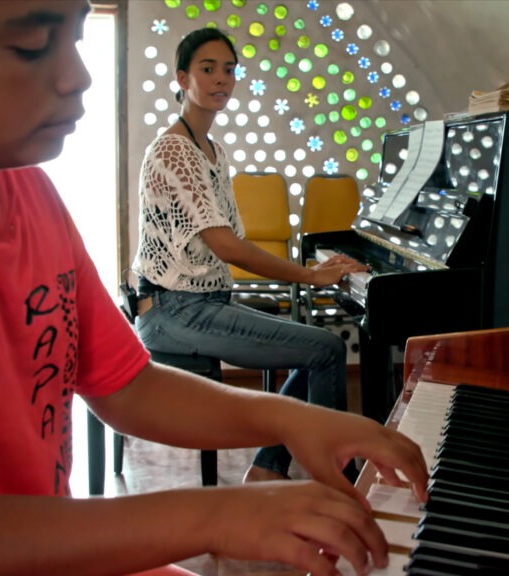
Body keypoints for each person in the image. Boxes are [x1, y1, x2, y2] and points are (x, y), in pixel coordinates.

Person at [0, 2, 427, 576]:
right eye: (31, 45)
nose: (79, 76)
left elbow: (126, 386)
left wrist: (292, 419)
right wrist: (217, 516)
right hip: (179, 309)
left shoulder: (32, 192)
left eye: (73, 38)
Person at [133, 27, 368, 484]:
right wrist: (308, 276)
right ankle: (337, 481)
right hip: (172, 311)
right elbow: (226, 246)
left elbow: (228, 245)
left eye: (229, 70)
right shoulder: (173, 151)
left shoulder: (212, 151)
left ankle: (268, 467)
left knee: (320, 349)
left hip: (204, 304)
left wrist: (310, 273)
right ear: (182, 78)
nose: (221, 79)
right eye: (207, 69)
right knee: (324, 349)